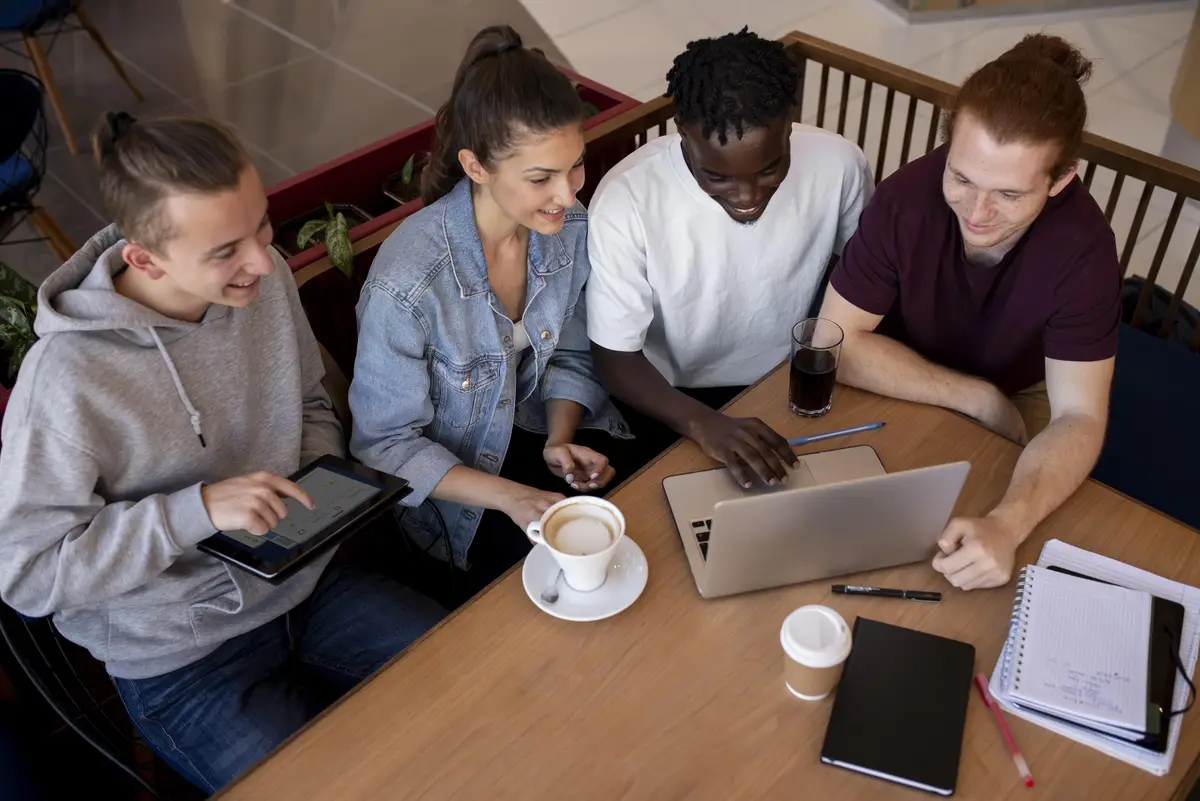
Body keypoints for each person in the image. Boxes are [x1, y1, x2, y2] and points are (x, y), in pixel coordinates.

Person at [0, 114, 445, 792]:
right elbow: (27, 575)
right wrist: (195, 511)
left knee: (486, 676)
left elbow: (311, 405)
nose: (264, 262)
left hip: (309, 587)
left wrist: (311, 489)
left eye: (262, 225)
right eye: (225, 250)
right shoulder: (65, 383)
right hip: (181, 658)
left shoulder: (261, 286)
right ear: (143, 257)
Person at [818, 34, 1120, 591]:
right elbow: (833, 343)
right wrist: (976, 398)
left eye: (1008, 195)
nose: (977, 213)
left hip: (1026, 385)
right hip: (905, 362)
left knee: (989, 533)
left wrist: (1008, 525)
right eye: (961, 177)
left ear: (1061, 180)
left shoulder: (1085, 250)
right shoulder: (906, 198)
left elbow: (1080, 417)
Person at [350, 26, 628, 597]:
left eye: (575, 165)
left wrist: (560, 438)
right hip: (455, 504)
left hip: (527, 441)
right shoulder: (409, 282)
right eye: (540, 178)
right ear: (476, 167)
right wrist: (511, 498)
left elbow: (574, 351)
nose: (569, 194)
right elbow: (385, 446)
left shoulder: (567, 230)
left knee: (627, 535)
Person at [585, 28, 874, 489]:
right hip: (669, 401)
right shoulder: (627, 201)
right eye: (715, 176)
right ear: (681, 131)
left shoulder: (839, 165)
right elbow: (614, 360)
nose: (746, 197)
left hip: (786, 381)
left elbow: (857, 274)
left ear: (789, 122)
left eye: (770, 169)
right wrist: (706, 426)